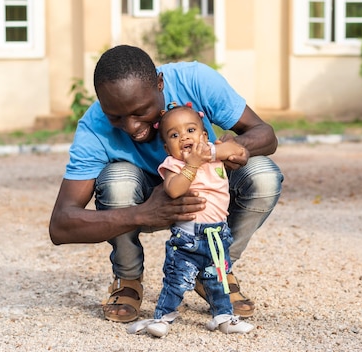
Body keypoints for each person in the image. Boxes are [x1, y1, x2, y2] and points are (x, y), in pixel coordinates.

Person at [49, 45, 283, 324]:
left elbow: (266, 135)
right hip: (145, 201)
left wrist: (234, 147)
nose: (132, 126)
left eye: (140, 111)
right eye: (116, 116)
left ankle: (214, 269)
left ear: (160, 84)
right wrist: (143, 213)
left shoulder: (195, 80)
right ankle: (128, 279)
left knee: (264, 175)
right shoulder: (93, 127)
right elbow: (60, 225)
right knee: (117, 179)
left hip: (204, 195)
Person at [127, 104, 253, 337]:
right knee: (177, 280)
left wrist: (212, 152)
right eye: (174, 135)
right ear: (167, 147)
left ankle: (223, 316)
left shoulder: (215, 156)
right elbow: (174, 190)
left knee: (218, 279)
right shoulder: (174, 165)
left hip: (218, 235)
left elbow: (238, 152)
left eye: (191, 130)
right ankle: (162, 317)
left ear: (205, 136)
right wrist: (193, 164)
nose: (184, 137)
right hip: (188, 238)